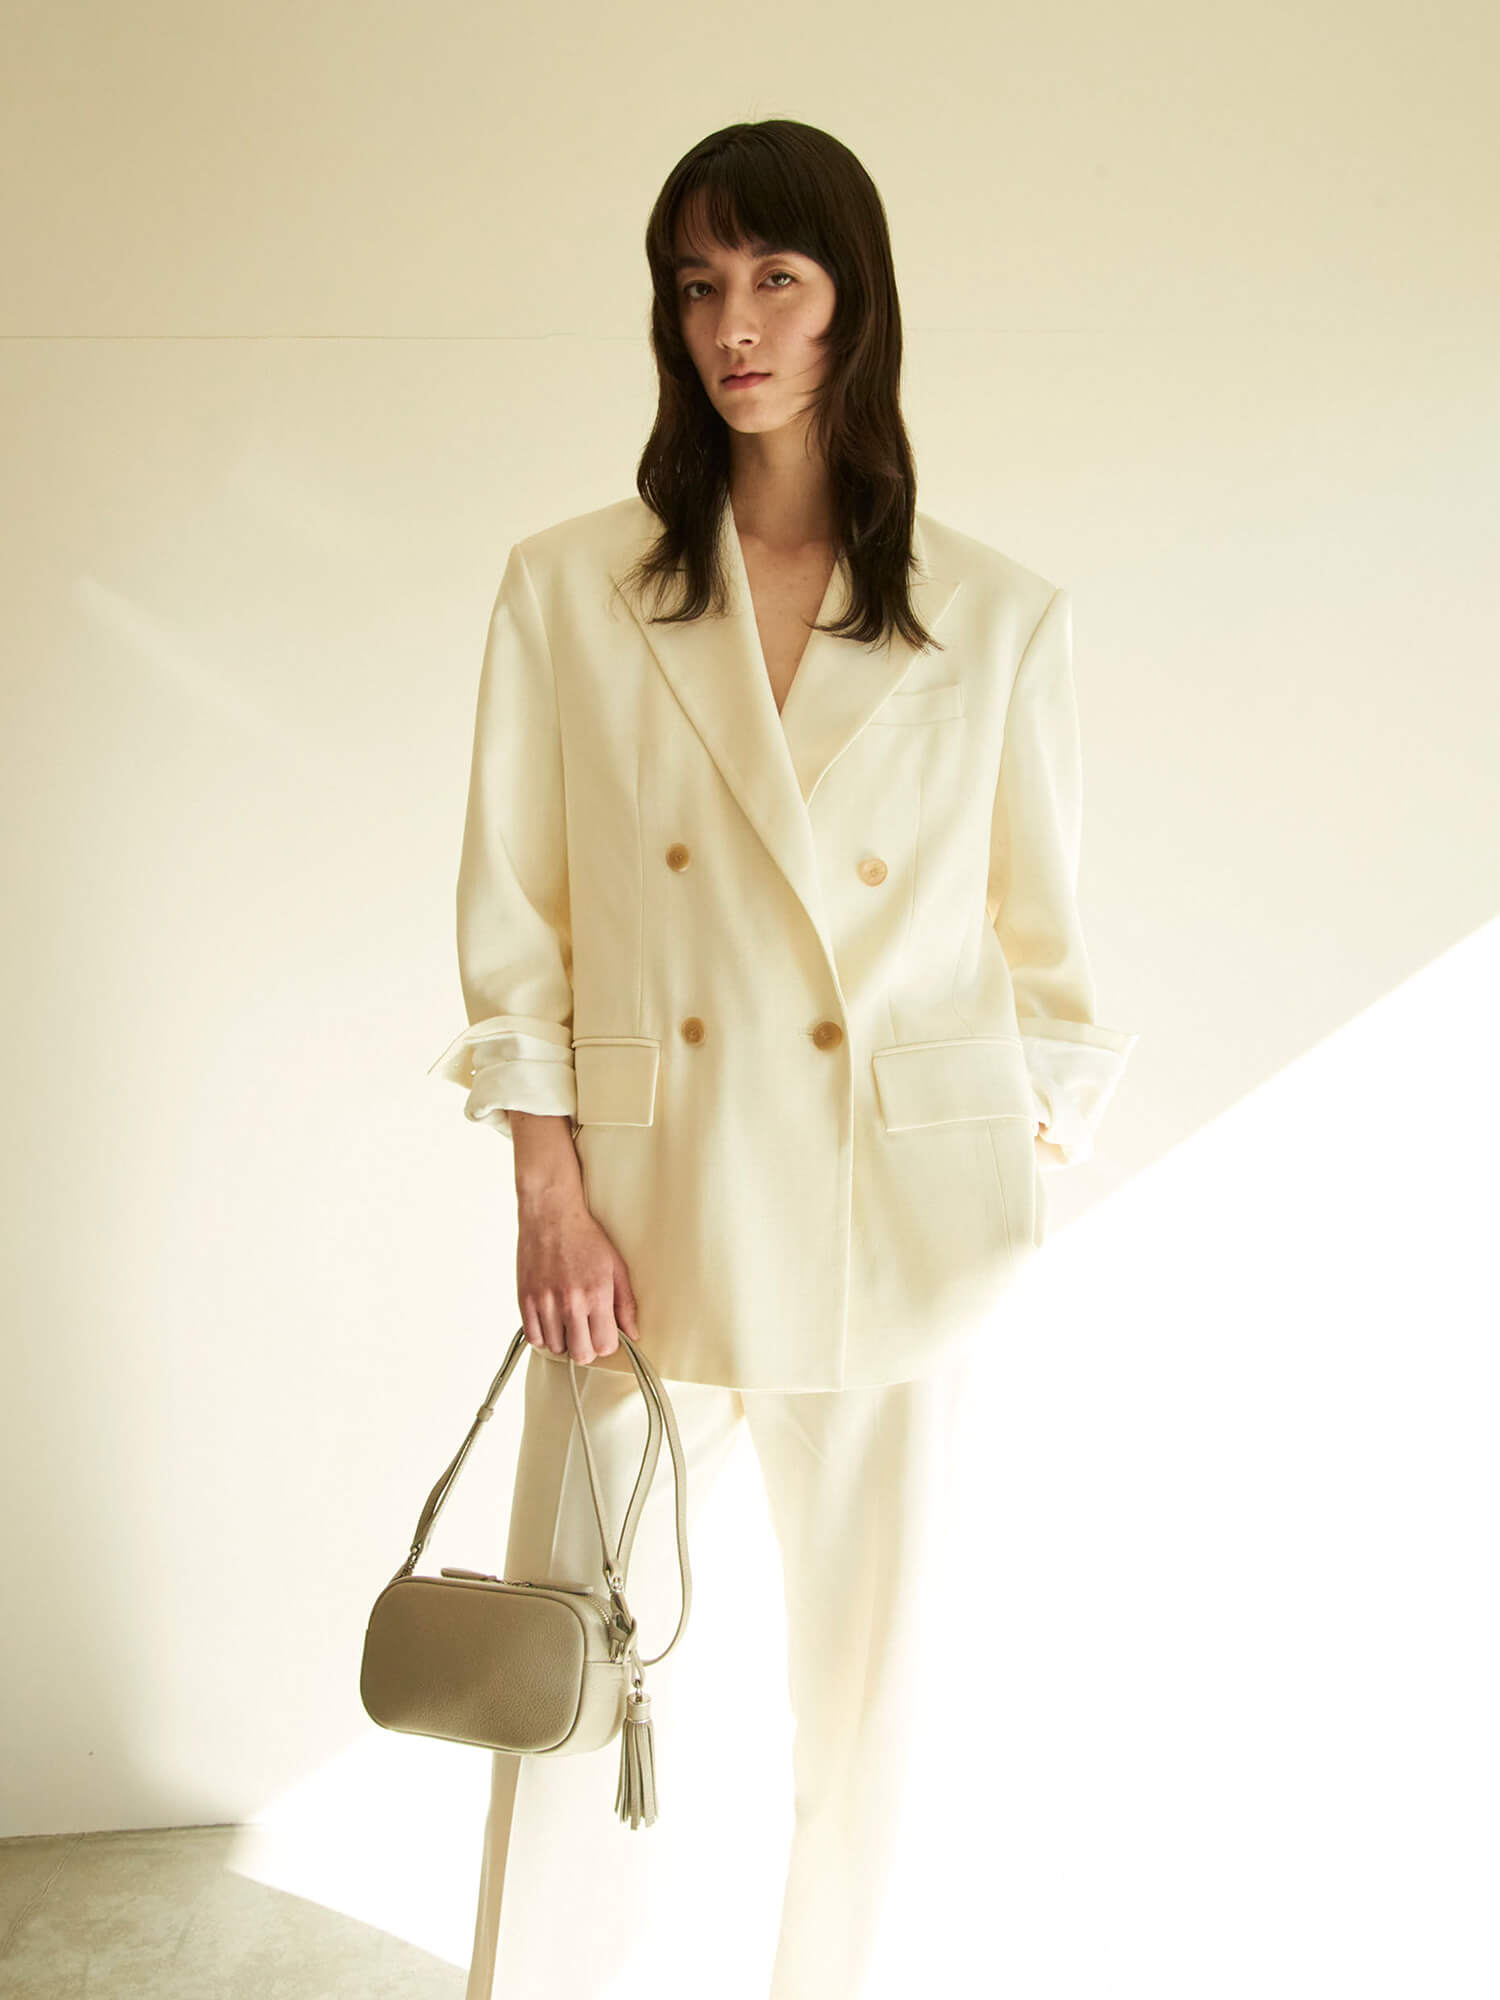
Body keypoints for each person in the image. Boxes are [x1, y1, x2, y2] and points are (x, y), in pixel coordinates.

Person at [428, 118, 1138, 2000]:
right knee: (572, 1679)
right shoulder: (571, 588)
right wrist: (548, 1190)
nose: (731, 326)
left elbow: (1046, 954)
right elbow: (520, 921)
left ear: (852, 306)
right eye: (696, 285)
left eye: (774, 279)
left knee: (877, 1708)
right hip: (638, 1219)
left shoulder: (995, 616)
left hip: (896, 1215)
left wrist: (1004, 1147)